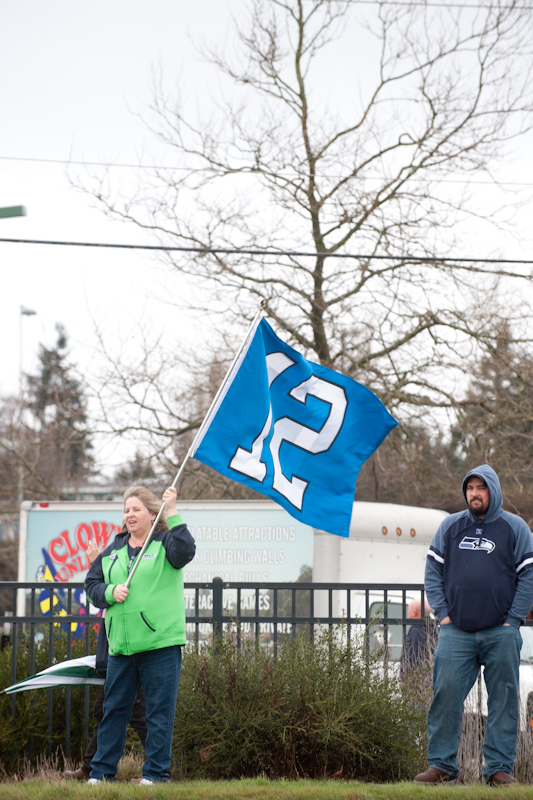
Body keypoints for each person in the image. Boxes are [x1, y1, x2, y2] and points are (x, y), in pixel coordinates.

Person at [413, 465, 533, 787]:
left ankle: (497, 769)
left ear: (493, 490)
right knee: (445, 695)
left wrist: (512, 621)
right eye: (470, 488)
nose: (474, 494)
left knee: (505, 700)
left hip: (501, 633)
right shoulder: (451, 527)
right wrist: (444, 616)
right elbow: (432, 574)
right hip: (456, 632)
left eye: (481, 488)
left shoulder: (515, 528)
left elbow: (528, 577)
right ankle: (441, 765)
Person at [84, 485, 195, 785]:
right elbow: (92, 584)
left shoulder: (166, 543)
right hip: (121, 647)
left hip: (160, 645)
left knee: (159, 714)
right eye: (126, 510)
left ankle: (156, 775)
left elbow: (186, 551)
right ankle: (101, 774)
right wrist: (109, 591)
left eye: (136, 509)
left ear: (151, 513)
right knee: (113, 712)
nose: (129, 514)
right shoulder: (113, 550)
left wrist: (172, 513)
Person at [64, 538, 148, 782]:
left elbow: (126, 590)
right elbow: (104, 591)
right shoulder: (117, 558)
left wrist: (96, 561)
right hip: (117, 651)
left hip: (131, 651)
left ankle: (159, 769)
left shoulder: (140, 559)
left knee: (137, 713)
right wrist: (98, 563)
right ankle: (91, 769)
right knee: (109, 710)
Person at [400, 597, 435, 678]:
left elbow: (411, 659)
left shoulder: (416, 632)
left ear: (414, 612)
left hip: (418, 681)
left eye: (409, 609)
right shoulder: (434, 630)